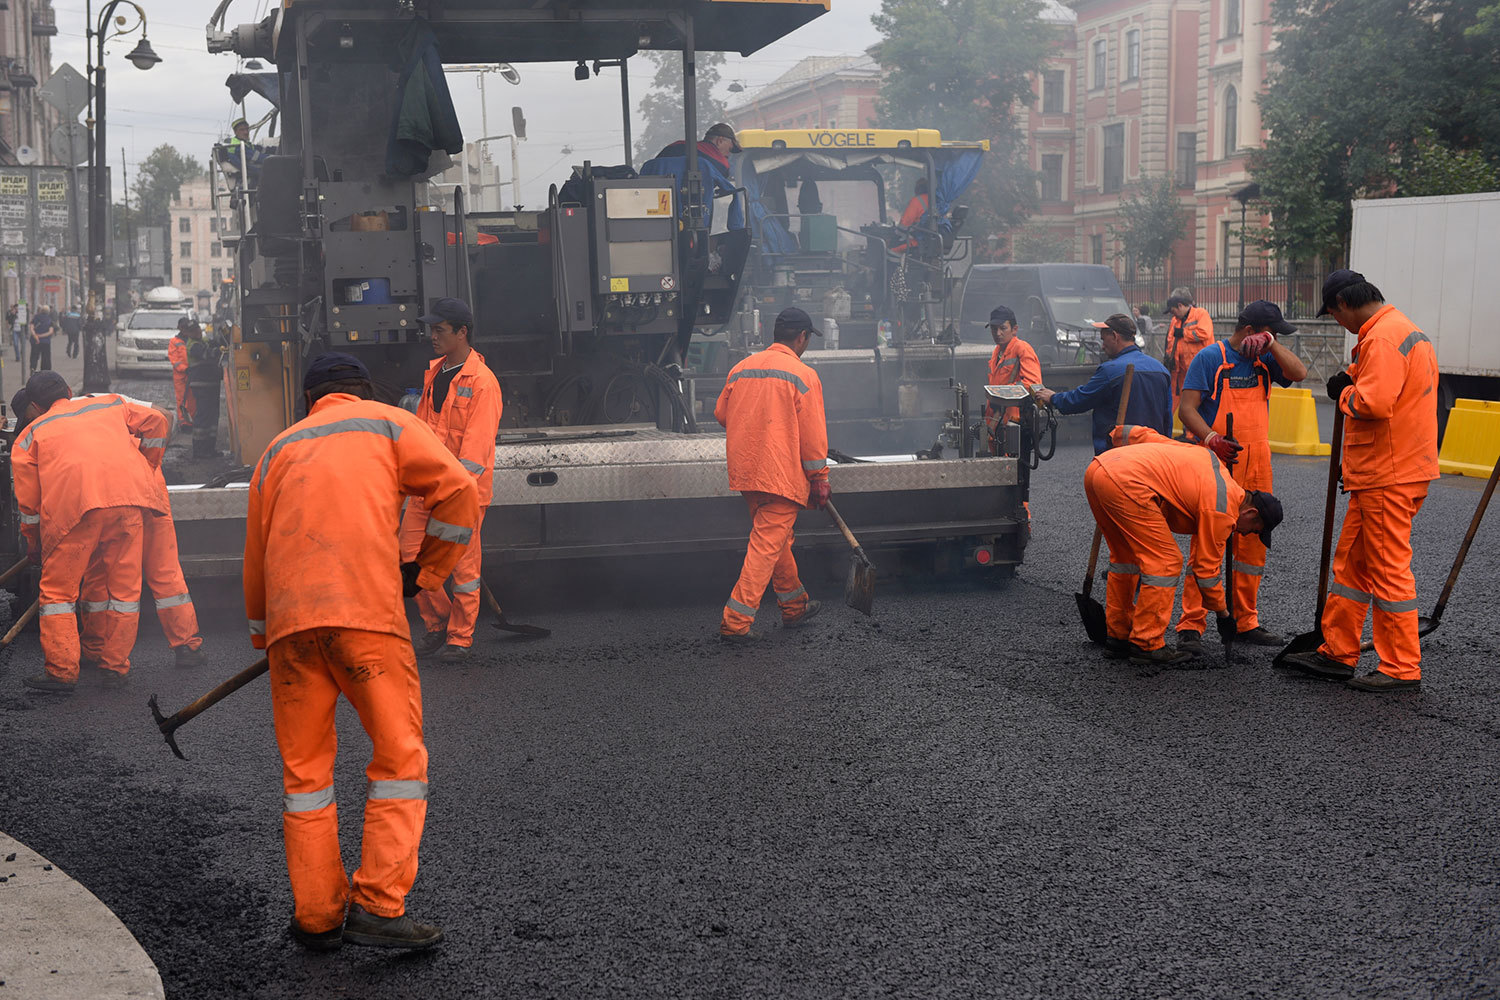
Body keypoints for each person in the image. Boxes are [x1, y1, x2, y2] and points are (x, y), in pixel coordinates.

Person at [243, 353, 480, 951]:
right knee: (399, 760)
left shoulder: (276, 451)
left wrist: (263, 635)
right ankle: (377, 904)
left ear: (308, 399)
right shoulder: (388, 424)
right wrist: (425, 573)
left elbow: (255, 556)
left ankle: (318, 917)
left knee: (305, 778)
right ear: (362, 389)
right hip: (366, 618)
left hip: (292, 630)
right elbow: (459, 492)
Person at [1283, 270, 1439, 692]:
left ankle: (1401, 667)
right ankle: (1337, 651)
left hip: (1389, 474)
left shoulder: (1384, 338)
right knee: (1353, 565)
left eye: (1334, 315)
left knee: (1388, 571)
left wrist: (1345, 393)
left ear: (1343, 304)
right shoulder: (1399, 330)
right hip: (1384, 470)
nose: (1338, 323)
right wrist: (1353, 377)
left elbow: (1374, 402)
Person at [10, 372, 170, 694]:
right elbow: (158, 422)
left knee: (57, 595)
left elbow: (29, 505)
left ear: (35, 405)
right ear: (68, 391)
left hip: (74, 514)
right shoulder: (109, 404)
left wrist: (33, 542)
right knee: (125, 592)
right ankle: (115, 667)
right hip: (128, 503)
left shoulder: (30, 435)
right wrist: (147, 465)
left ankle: (61, 672)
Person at [1085, 424, 1284, 664]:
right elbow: (1206, 571)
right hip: (1128, 484)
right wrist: (1223, 615)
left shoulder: (1209, 461)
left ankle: (1119, 637)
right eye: (1253, 531)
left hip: (1099, 469)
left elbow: (1156, 439)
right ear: (1251, 513)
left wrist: (1119, 433)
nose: (1243, 534)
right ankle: (1147, 644)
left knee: (1126, 559)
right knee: (1165, 562)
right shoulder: (1223, 509)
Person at [1173, 300, 1308, 653]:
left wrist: (1272, 346)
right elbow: (1186, 409)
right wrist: (1211, 439)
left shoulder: (1266, 358)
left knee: (1252, 544)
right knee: (1209, 543)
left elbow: (1299, 373)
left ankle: (1245, 621)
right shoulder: (1209, 358)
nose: (1275, 337)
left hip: (1258, 459)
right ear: (1250, 330)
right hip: (1217, 461)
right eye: (1272, 331)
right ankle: (1192, 624)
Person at [714, 306, 829, 642]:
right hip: (780, 474)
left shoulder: (740, 369)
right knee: (766, 545)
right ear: (802, 337)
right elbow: (812, 437)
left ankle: (795, 606)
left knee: (775, 540)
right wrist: (820, 478)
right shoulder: (803, 375)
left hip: (748, 470)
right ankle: (735, 622)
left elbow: (722, 414)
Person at [399, 297, 502, 662]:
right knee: (409, 556)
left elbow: (474, 454)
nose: (432, 336)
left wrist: (449, 491)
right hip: (427, 488)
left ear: (462, 333)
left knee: (463, 568)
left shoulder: (484, 384)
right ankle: (438, 622)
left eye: (440, 330)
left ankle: (460, 637)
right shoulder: (435, 374)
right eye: (431, 329)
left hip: (461, 494)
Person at [78, 397, 206, 669]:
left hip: (111, 495)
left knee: (99, 573)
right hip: (147, 488)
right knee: (165, 571)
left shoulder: (61, 424)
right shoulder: (112, 403)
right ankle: (187, 647)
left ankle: (95, 648)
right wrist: (149, 464)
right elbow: (163, 416)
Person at [1035, 313, 1172, 454]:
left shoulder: (1110, 370)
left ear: (1114, 336)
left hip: (1119, 454)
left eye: (1103, 340)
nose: (1102, 347)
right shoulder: (1161, 370)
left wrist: (1053, 398)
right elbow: (1167, 417)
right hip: (1154, 452)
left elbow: (1080, 400)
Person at [638, 122, 746, 231]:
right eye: (731, 149)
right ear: (720, 141)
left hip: (654, 215)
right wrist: (736, 227)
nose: (729, 155)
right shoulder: (717, 161)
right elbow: (728, 184)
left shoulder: (675, 145)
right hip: (692, 222)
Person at [983, 305, 1043, 454]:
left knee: (1015, 468)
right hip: (997, 421)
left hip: (1015, 422)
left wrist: (1002, 393)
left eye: (1003, 328)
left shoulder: (1022, 349)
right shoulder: (997, 352)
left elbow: (1033, 384)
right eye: (994, 329)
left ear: (1014, 329)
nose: (998, 333)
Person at [1164, 293, 1215, 409]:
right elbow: (1170, 341)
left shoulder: (1201, 314)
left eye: (1173, 311)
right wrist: (1168, 359)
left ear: (1180, 305)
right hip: (1179, 370)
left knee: (1197, 402)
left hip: (1199, 369)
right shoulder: (1175, 320)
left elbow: (1204, 333)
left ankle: (1192, 426)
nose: (1173, 315)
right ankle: (1172, 425)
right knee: (1174, 401)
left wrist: (1184, 333)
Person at [187, 323, 222, 457]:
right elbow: (207, 354)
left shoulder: (204, 341)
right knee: (203, 418)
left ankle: (210, 449)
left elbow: (213, 343)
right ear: (189, 333)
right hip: (201, 385)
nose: (196, 333)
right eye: (193, 331)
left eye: (197, 330)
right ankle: (199, 450)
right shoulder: (192, 345)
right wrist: (220, 350)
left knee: (213, 418)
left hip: (211, 383)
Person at [169, 317, 199, 431]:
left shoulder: (192, 340)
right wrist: (184, 369)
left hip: (192, 373)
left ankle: (191, 421)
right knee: (181, 399)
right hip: (181, 376)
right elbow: (174, 359)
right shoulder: (174, 342)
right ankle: (184, 423)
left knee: (192, 399)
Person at [222, 117, 269, 188]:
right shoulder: (237, 146)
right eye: (242, 130)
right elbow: (259, 158)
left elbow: (261, 149)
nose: (246, 132)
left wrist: (278, 149)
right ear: (235, 132)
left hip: (251, 176)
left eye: (247, 129)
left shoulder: (246, 144)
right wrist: (276, 158)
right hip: (247, 180)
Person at [29, 305, 53, 373]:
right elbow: (50, 331)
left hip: (35, 341)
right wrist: (41, 336)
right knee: (45, 357)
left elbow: (31, 327)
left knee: (34, 356)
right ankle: (45, 371)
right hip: (46, 342)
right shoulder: (49, 319)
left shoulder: (36, 317)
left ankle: (33, 369)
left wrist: (35, 335)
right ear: (48, 312)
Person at [10, 299, 27, 363]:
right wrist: (13, 315)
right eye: (15, 308)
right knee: (15, 344)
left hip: (21, 331)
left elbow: (26, 322)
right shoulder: (12, 314)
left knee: (23, 344)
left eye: (17, 308)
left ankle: (21, 353)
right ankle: (17, 357)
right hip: (15, 331)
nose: (16, 309)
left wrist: (27, 332)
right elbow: (10, 322)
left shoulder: (22, 313)